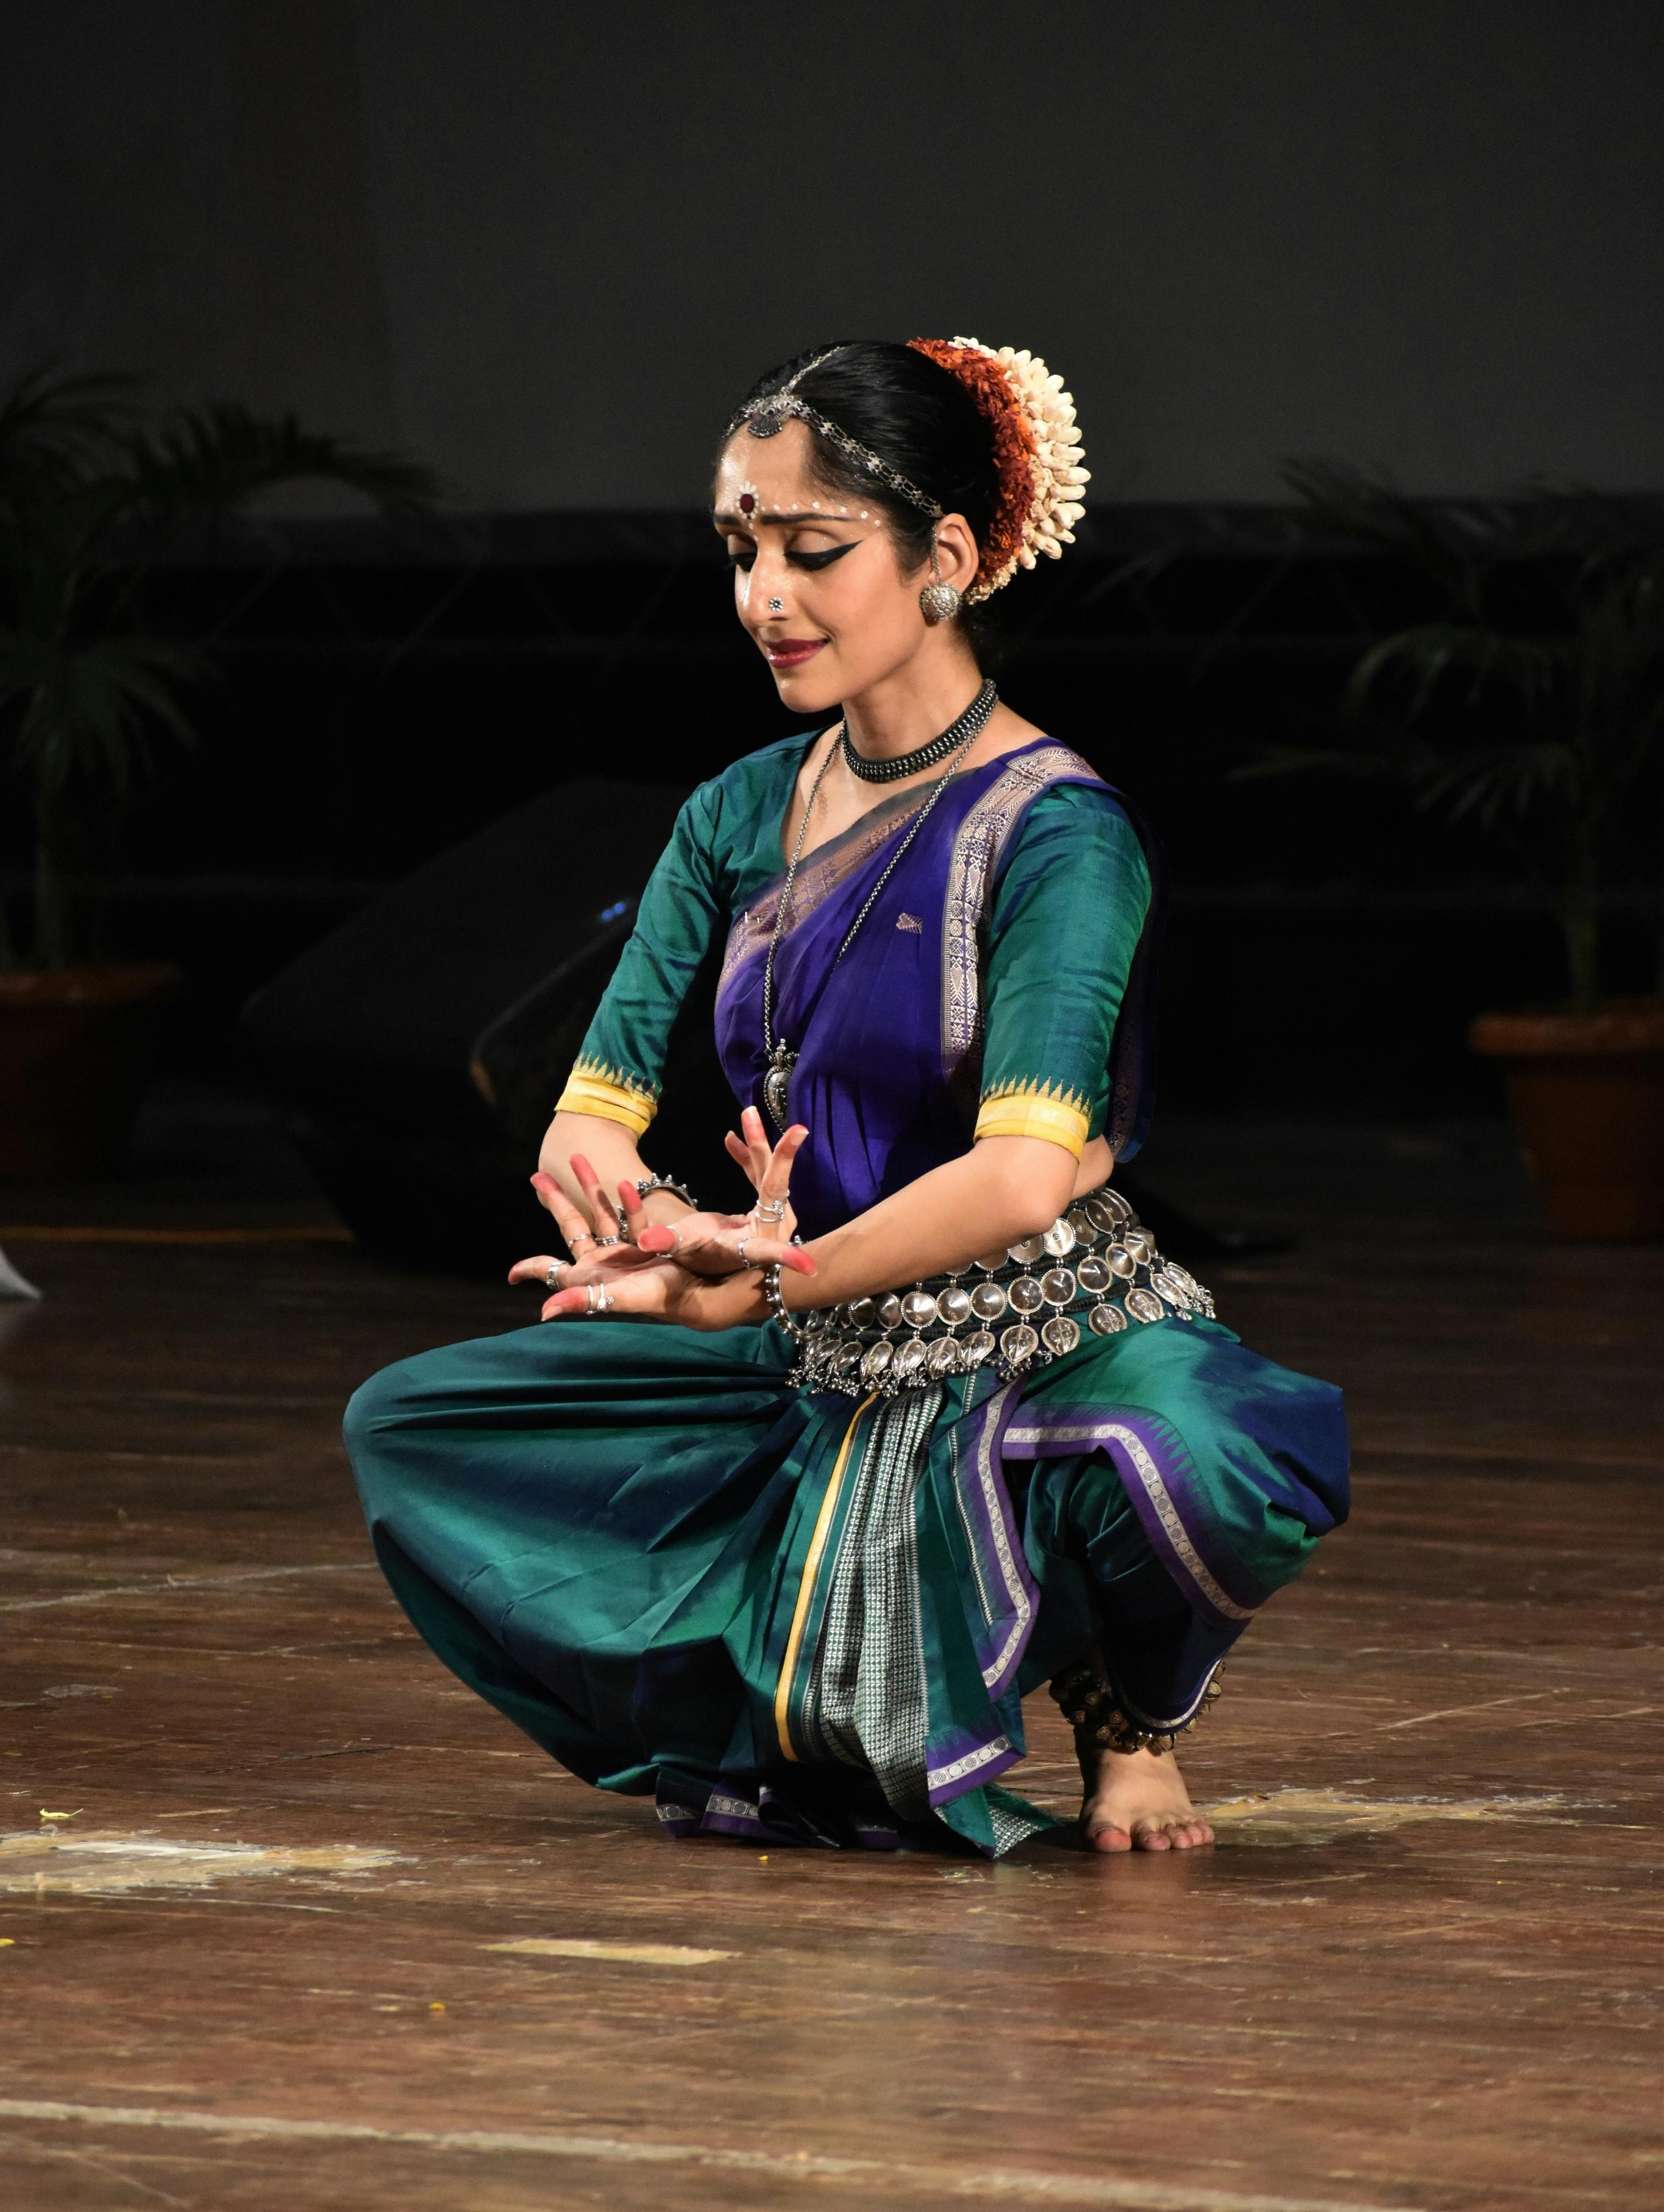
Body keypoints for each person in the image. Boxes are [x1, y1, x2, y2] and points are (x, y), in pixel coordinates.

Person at [344, 338, 1349, 1858]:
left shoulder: (1059, 834)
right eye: (741, 547)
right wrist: (657, 1224)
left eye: (814, 552)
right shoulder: (738, 810)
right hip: (804, 1326)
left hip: (1029, 1333)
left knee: (1188, 1459)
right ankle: (790, 1676)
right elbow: (588, 1110)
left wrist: (772, 1276)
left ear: (947, 557)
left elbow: (1022, 1180)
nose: (764, 596)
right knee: (418, 1426)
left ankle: (1125, 1717)